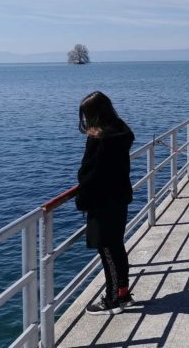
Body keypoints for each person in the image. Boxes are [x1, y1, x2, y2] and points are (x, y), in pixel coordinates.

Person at [75, 91, 136, 315]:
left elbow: (89, 173)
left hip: (102, 201)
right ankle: (123, 293)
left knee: (107, 250)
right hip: (119, 198)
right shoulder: (121, 132)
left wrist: (82, 199)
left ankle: (112, 300)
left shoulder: (99, 139)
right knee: (116, 247)